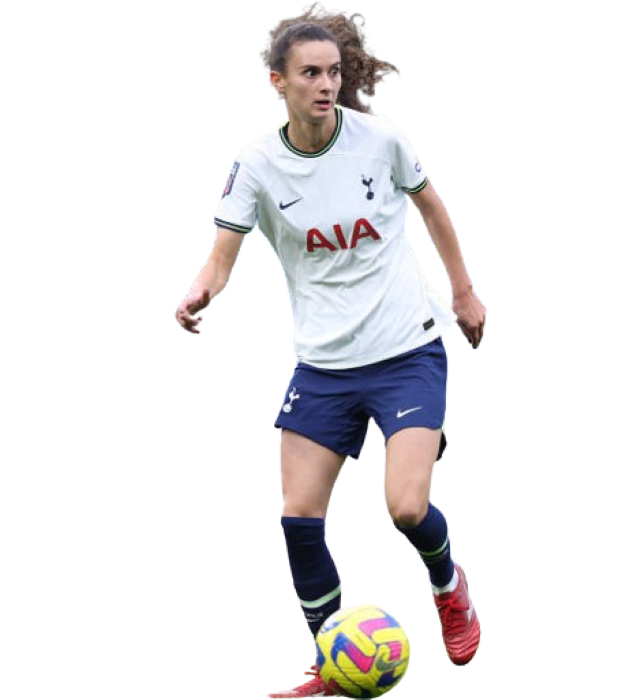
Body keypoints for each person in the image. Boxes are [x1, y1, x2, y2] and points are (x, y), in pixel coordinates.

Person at [175, 3, 486, 697]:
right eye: (310, 74)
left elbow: (433, 208)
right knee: (298, 519)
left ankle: (448, 587)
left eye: (333, 72)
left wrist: (463, 293)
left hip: (407, 348)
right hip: (323, 364)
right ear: (276, 82)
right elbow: (222, 254)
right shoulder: (256, 163)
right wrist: (200, 295)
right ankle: (330, 661)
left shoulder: (381, 138)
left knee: (405, 508)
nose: (325, 84)